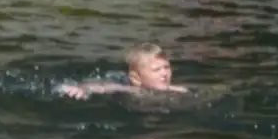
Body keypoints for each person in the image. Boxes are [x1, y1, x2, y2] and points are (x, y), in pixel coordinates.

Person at [58, 42, 188, 99]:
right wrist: (82, 89)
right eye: (156, 70)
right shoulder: (132, 90)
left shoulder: (179, 91)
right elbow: (103, 87)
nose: (164, 73)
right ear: (136, 78)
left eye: (167, 67)